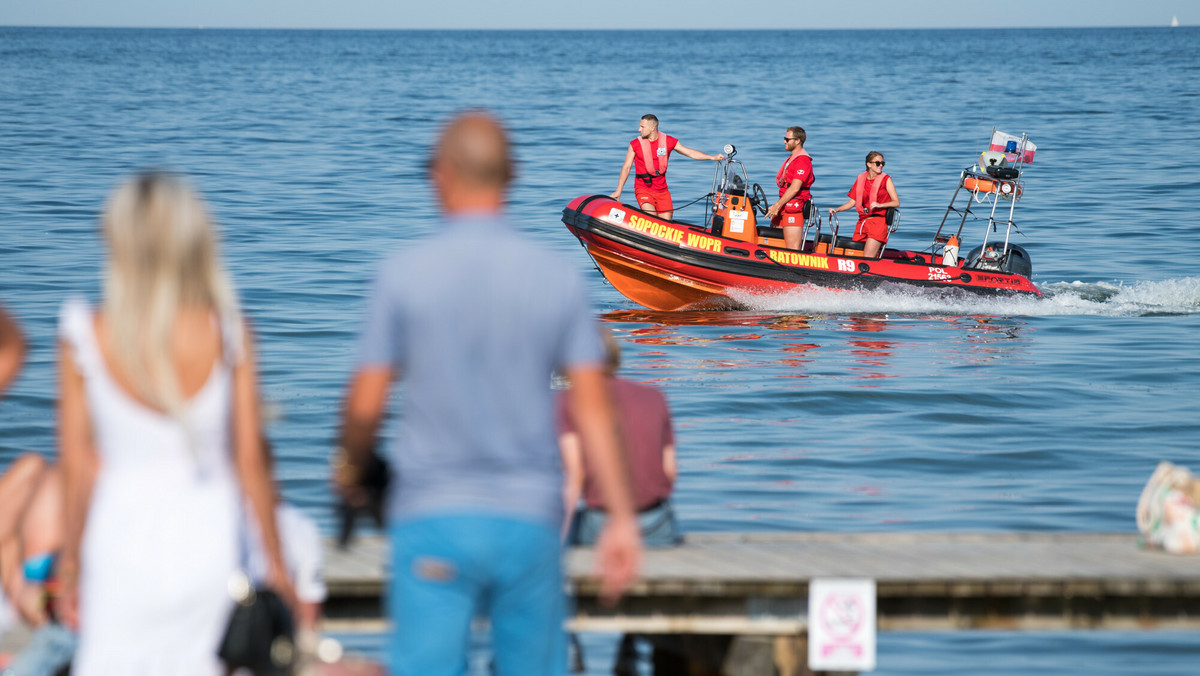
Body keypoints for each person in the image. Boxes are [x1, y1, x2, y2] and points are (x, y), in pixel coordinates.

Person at [335, 110, 641, 676]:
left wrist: (351, 473)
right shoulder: (554, 277)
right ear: (513, 176)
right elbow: (594, 409)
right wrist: (621, 517)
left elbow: (365, 405)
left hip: (432, 516)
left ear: (439, 175)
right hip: (528, 521)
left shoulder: (403, 273)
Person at [57, 173, 294, 675]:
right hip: (208, 539)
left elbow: (77, 470)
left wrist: (69, 563)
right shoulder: (230, 331)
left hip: (120, 539)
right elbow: (250, 461)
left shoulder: (84, 332)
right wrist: (276, 561)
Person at [559, 329, 679, 548]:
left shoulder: (569, 400)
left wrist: (557, 538)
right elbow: (669, 473)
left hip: (602, 523)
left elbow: (575, 478)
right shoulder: (655, 396)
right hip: (656, 524)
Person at [610, 114, 725, 221]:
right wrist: (619, 190)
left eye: (642, 127)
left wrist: (712, 157)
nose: (639, 129)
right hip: (643, 189)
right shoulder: (635, 144)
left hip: (662, 191)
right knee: (652, 219)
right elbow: (627, 167)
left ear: (652, 128)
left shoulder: (668, 141)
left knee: (666, 224)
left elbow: (690, 153)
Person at [829, 151, 900, 259]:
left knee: (867, 257)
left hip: (878, 223)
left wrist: (879, 205)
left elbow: (896, 202)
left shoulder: (886, 179)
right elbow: (852, 202)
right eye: (877, 163)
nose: (880, 165)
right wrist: (837, 210)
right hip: (862, 222)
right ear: (869, 164)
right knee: (855, 255)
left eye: (882, 163)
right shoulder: (861, 179)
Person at [765, 127, 816, 251]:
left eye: (787, 139)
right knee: (775, 242)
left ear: (797, 141)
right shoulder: (792, 159)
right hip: (784, 204)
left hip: (793, 207)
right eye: (784, 139)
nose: (784, 141)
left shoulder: (802, 161)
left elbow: (794, 188)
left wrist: (777, 205)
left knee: (793, 249)